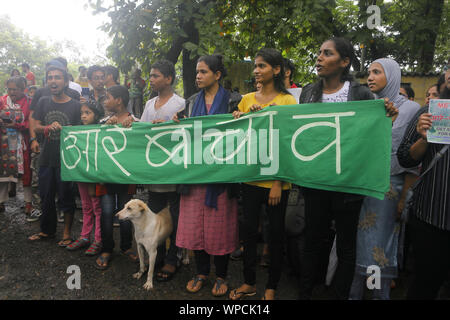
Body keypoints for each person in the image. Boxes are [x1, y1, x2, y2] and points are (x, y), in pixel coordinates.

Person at [296, 37, 397, 300]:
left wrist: (385, 116)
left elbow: (370, 133)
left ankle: (339, 295)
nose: (319, 57)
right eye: (319, 52)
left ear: (344, 62)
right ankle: (305, 293)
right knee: (313, 241)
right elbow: (297, 131)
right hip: (316, 182)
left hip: (348, 184)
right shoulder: (308, 92)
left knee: (346, 247)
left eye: (327, 53)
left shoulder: (361, 94)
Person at [349, 58, 420, 300]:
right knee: (365, 241)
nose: (370, 77)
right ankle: (360, 293)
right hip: (367, 185)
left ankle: (378, 295)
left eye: (376, 72)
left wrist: (403, 198)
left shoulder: (411, 109)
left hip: (392, 188)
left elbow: (413, 160)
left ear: (392, 76)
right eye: (369, 72)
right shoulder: (369, 106)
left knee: (383, 244)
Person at [230, 48, 297, 300]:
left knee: (275, 234)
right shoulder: (246, 100)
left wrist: (279, 182)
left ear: (276, 70)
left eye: (262, 66)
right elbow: (239, 139)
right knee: (248, 232)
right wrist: (240, 117)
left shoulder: (288, 101)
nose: (257, 70)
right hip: (250, 177)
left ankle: (271, 287)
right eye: (255, 66)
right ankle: (248, 283)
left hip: (276, 182)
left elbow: (288, 143)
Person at [174, 54, 239, 298]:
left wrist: (240, 117)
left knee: (219, 226)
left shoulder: (234, 100)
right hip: (195, 175)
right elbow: (179, 128)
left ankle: (221, 275)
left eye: (203, 72)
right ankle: (201, 272)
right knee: (196, 226)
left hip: (221, 177)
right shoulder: (191, 102)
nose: (198, 76)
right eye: (197, 72)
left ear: (217, 75)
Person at [397, 68, 450, 300]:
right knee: (424, 285)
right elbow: (405, 158)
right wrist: (423, 138)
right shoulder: (429, 112)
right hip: (431, 217)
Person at [139, 59, 185, 281]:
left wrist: (168, 127)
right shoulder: (149, 104)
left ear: (168, 78)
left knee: (176, 216)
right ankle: (158, 255)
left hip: (174, 171)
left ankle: (173, 259)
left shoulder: (181, 103)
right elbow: (141, 132)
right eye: (151, 75)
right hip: (154, 171)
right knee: (154, 216)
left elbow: (187, 133)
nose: (151, 79)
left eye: (156, 75)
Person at [27, 65, 81, 246]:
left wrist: (72, 130)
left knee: (66, 195)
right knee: (46, 195)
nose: (53, 81)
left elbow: (82, 130)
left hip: (67, 159)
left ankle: (66, 233)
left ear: (66, 82)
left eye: (57, 77)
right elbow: (36, 126)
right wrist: (47, 128)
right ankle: (46, 230)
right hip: (46, 157)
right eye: (49, 78)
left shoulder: (75, 105)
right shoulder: (43, 102)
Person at [95, 85, 138, 270]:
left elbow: (139, 146)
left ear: (119, 100)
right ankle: (106, 248)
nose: (105, 101)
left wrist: (132, 128)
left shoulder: (135, 121)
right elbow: (95, 142)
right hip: (106, 177)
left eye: (108, 97)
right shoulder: (104, 121)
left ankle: (127, 247)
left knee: (126, 211)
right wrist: (106, 127)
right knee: (106, 213)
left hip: (126, 177)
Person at [65, 101, 103, 256]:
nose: (83, 116)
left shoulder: (102, 130)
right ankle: (85, 236)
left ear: (97, 115)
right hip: (82, 174)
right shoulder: (78, 130)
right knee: (86, 206)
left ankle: (98, 240)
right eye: (82, 113)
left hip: (94, 175)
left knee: (97, 208)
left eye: (88, 113)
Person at [0, 76, 32, 218]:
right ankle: (1, 201)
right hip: (4, 141)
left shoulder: (28, 103)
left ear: (22, 89)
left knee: (26, 173)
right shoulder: (2, 101)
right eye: (9, 89)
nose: (12, 92)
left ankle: (28, 202)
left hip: (22, 143)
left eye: (15, 89)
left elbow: (31, 123)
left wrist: (17, 125)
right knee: (3, 171)